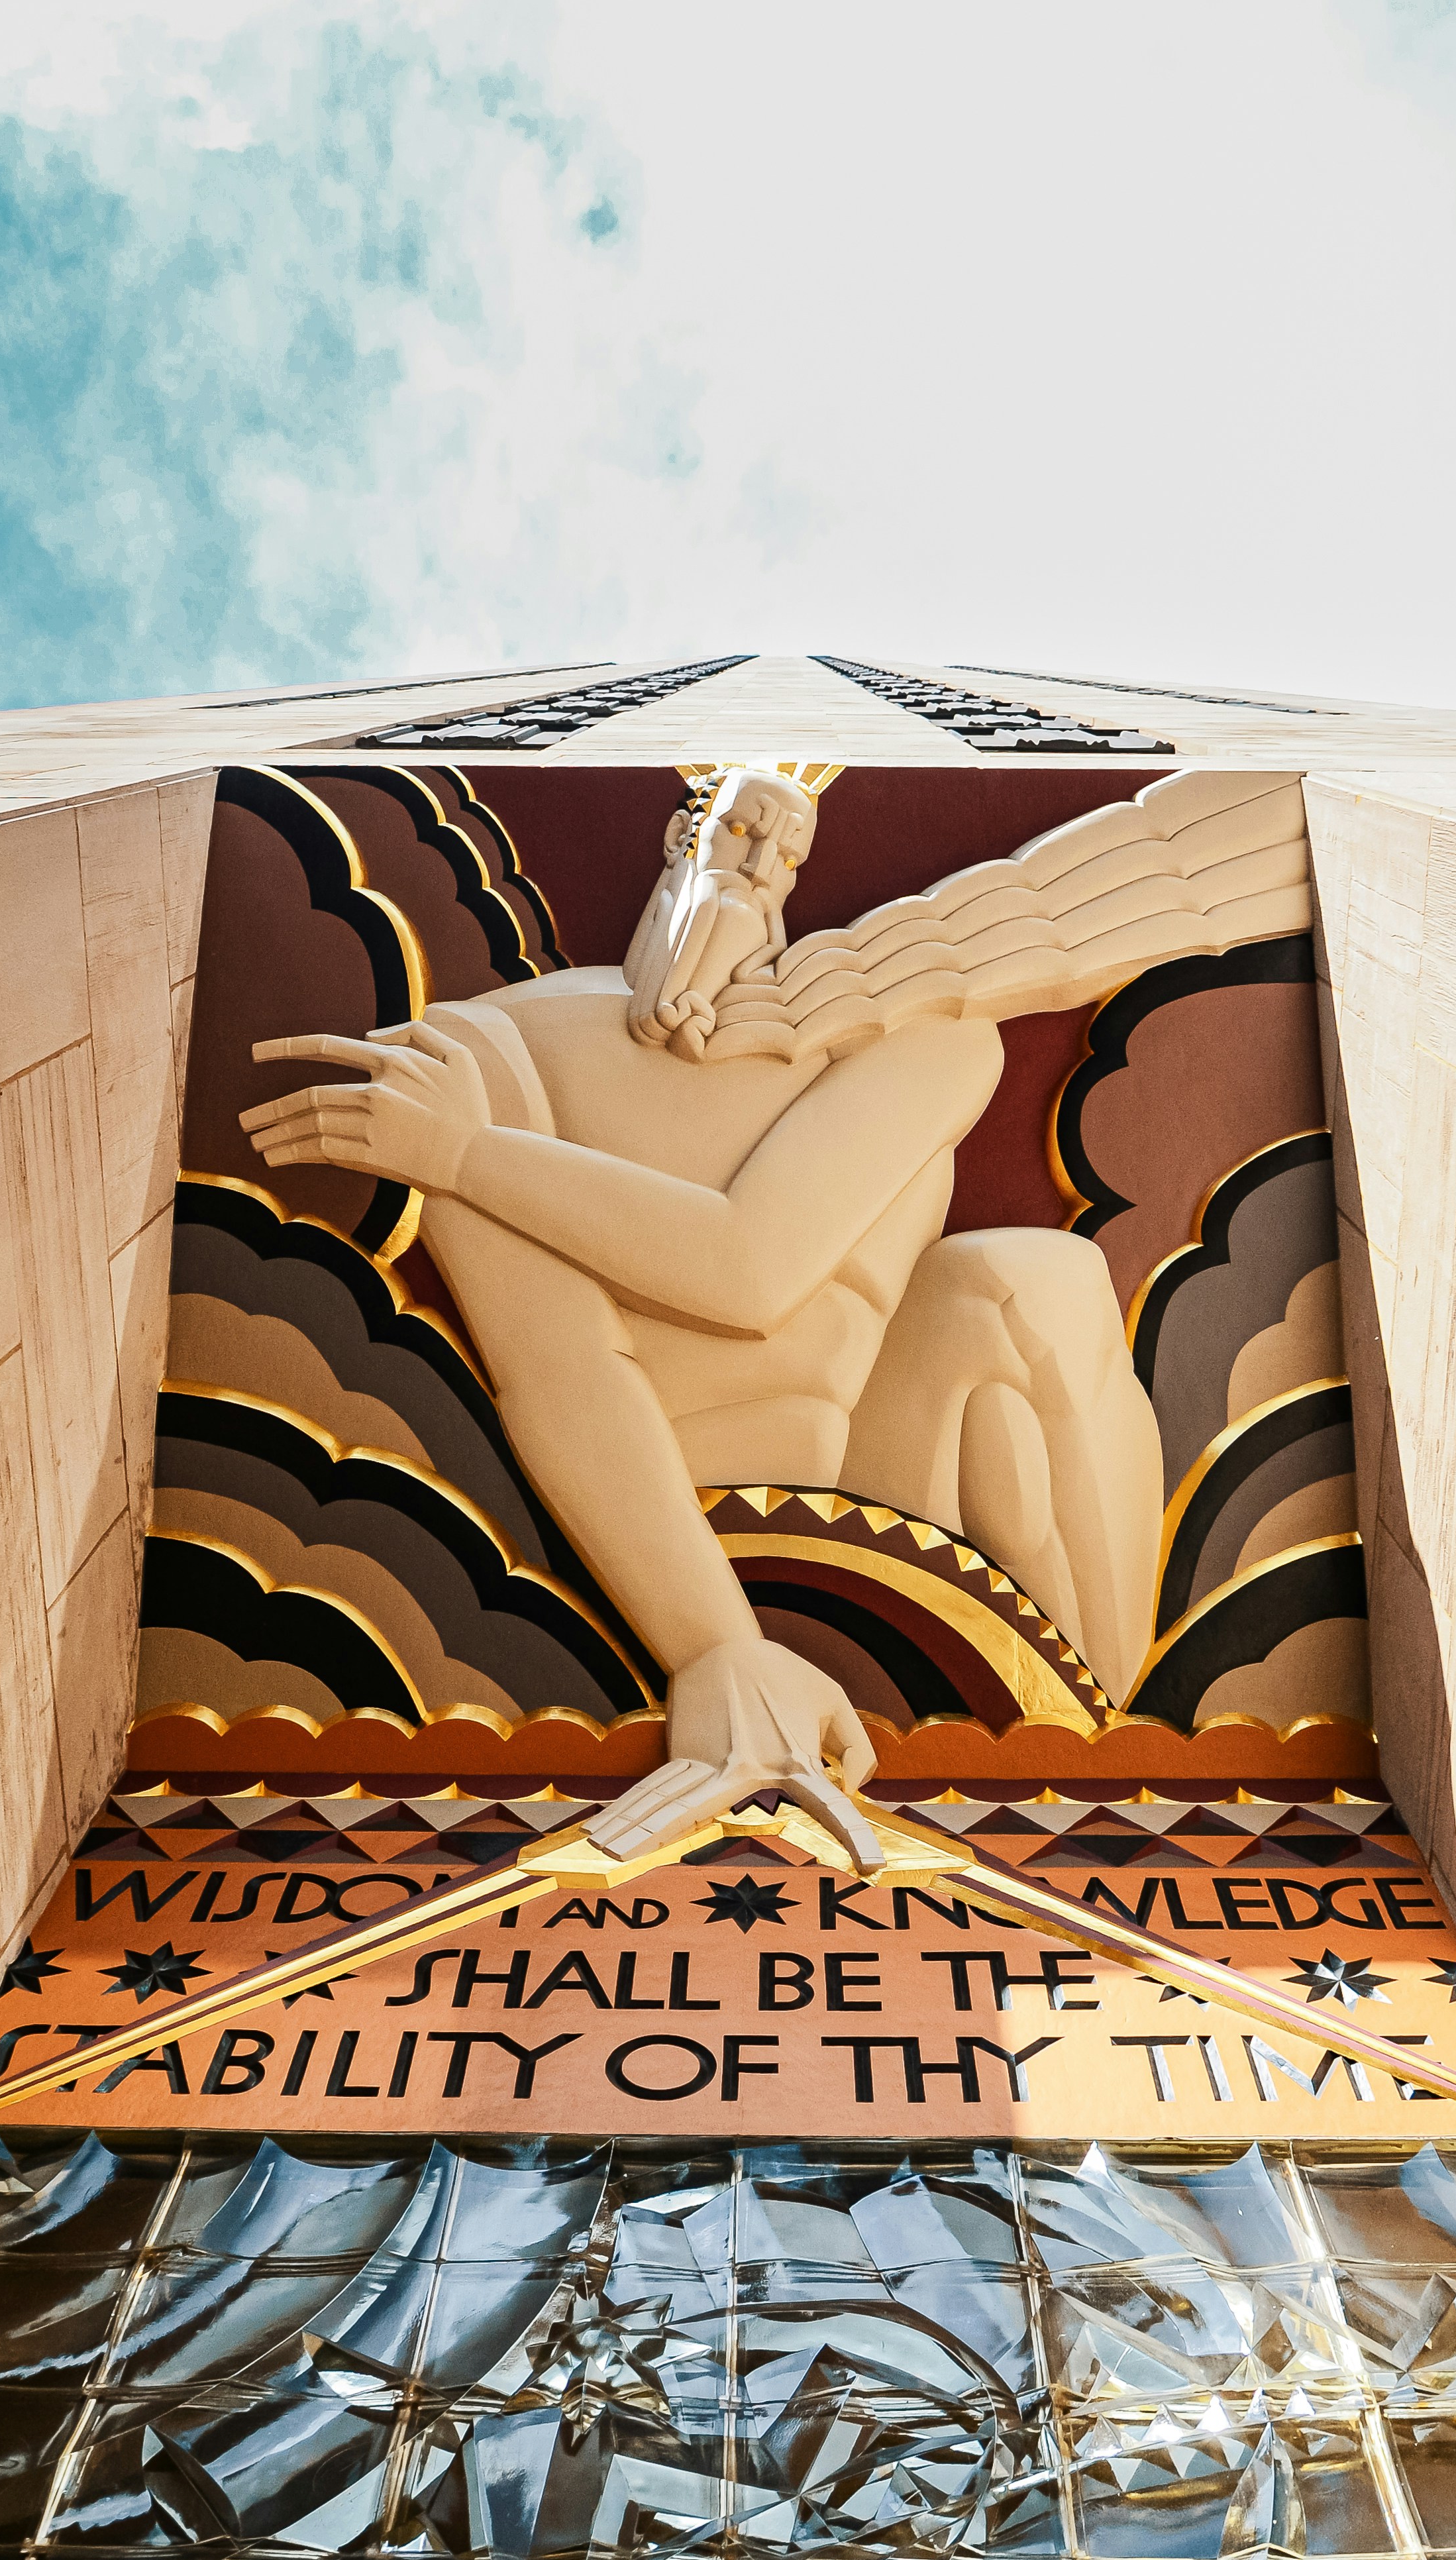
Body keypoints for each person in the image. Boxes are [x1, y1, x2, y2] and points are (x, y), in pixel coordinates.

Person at [242, 760, 1311, 1870]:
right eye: (741, 832)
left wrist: (470, 1156)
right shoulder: (491, 1048)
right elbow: (560, 1367)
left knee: (1033, 1277)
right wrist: (714, 1646)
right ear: (682, 836)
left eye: (785, 854)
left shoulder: (924, 1036)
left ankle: (1102, 1756)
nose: (757, 872)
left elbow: (752, 1271)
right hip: (657, 1513)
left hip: (883, 1480)